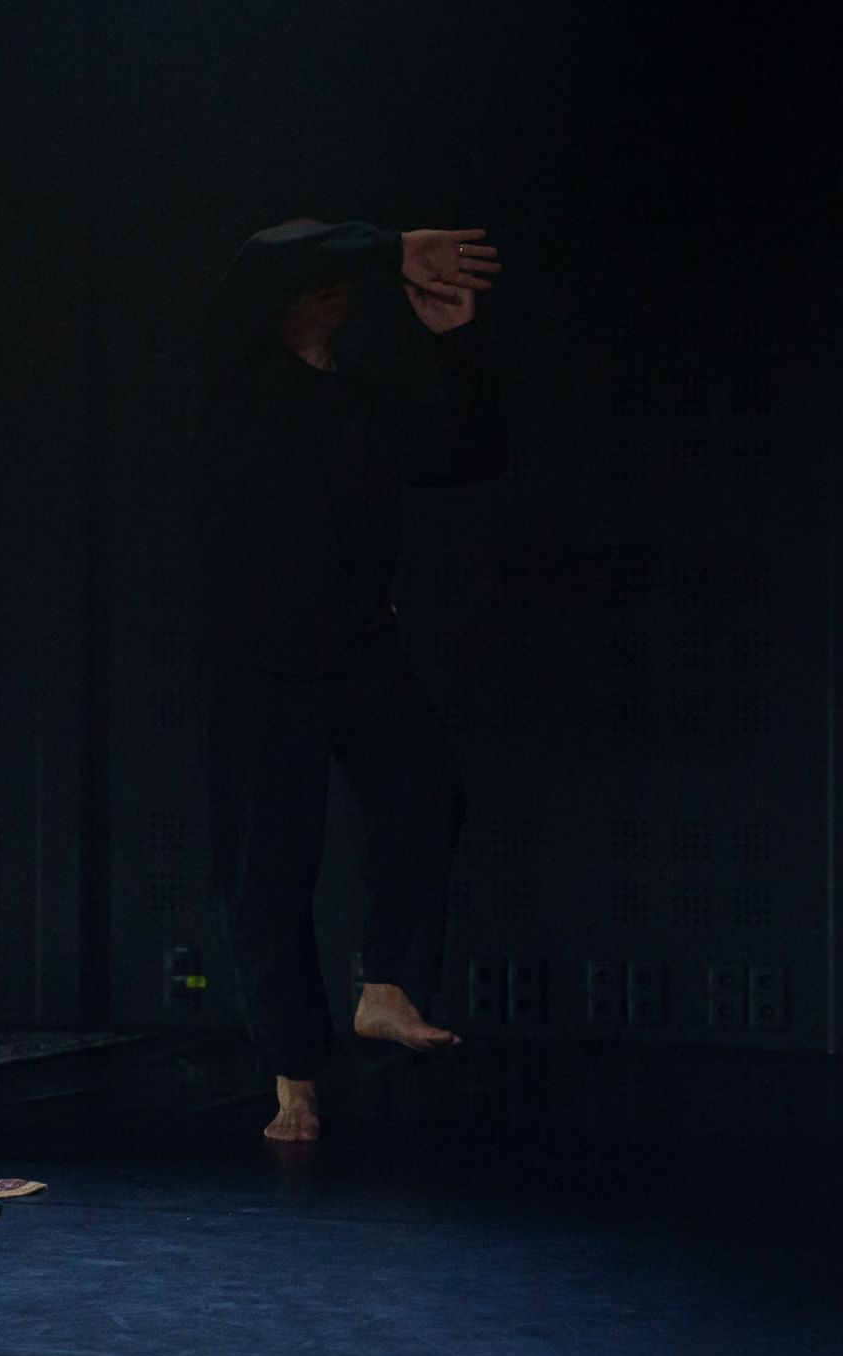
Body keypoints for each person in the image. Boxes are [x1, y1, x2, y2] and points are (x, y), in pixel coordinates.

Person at [195, 218, 505, 1141]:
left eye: (343, 283)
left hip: (361, 649)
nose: (330, 292)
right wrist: (389, 247)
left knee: (426, 784)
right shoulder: (229, 380)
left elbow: (473, 450)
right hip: (261, 665)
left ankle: (386, 984)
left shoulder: (364, 403)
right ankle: (294, 1076)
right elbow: (268, 254)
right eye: (316, 280)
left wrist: (456, 343)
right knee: (271, 868)